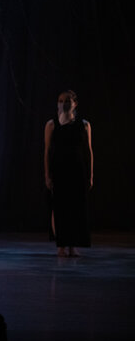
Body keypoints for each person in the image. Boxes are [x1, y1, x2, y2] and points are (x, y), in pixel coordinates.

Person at [44, 90, 93, 257]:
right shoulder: (52, 124)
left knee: (76, 208)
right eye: (60, 100)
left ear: (75, 103)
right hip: (60, 171)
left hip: (77, 171)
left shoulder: (84, 125)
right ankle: (61, 245)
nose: (63, 104)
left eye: (67, 100)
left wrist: (90, 175)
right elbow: (47, 151)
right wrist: (47, 174)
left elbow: (89, 151)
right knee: (60, 208)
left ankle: (73, 245)